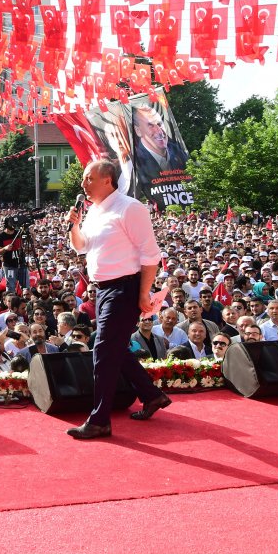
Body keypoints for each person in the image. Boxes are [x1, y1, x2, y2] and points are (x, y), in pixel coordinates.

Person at [65, 159, 171, 440]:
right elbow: (82, 246)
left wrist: (143, 293)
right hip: (103, 290)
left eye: (88, 178)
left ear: (107, 180)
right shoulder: (95, 211)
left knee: (102, 350)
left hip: (125, 288)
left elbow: (151, 256)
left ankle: (99, 420)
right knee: (113, 348)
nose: (83, 184)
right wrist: (74, 226)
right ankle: (152, 395)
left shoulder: (130, 208)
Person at [0, 218, 28, 295]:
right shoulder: (1, 236)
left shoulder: (19, 233)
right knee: (11, 286)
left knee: (26, 286)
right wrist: (5, 248)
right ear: (6, 224)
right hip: (9, 265)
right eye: (11, 223)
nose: (13, 225)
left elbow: (28, 241)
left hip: (22, 264)